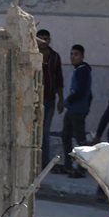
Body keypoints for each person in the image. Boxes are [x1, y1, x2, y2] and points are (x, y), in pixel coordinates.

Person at [58, 45, 92, 177]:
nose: (73, 57)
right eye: (71, 54)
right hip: (73, 109)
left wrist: (68, 101)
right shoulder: (79, 70)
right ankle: (68, 165)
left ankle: (82, 168)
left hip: (77, 109)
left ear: (82, 56)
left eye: (76, 54)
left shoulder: (83, 71)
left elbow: (81, 91)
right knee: (66, 135)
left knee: (80, 139)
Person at [37, 29, 64, 158]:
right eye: (41, 38)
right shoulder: (31, 55)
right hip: (34, 99)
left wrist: (61, 98)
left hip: (49, 99)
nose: (44, 41)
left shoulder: (55, 56)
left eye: (46, 39)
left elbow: (59, 78)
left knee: (44, 131)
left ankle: (44, 161)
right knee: (33, 131)